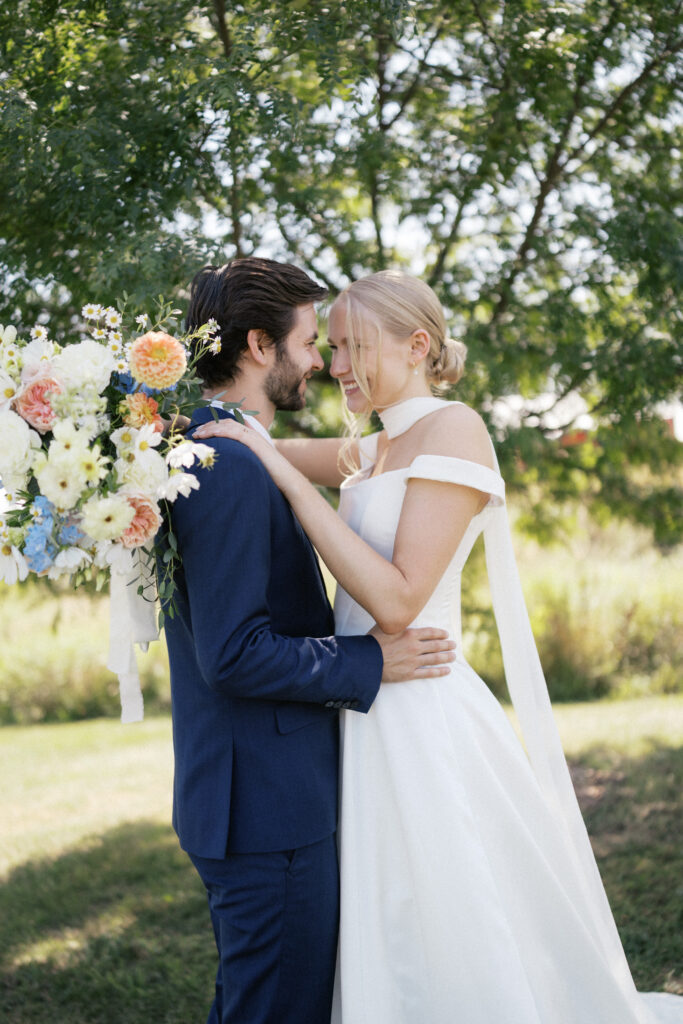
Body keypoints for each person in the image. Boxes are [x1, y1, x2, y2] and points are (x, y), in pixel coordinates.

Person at [195, 269, 683, 1024]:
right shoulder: (373, 447)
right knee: (375, 916)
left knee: (447, 909)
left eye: (355, 346)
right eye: (328, 346)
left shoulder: (454, 428)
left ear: (417, 343)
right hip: (356, 709)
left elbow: (396, 600)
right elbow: (261, 443)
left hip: (419, 701)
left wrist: (294, 490)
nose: (338, 365)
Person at [161, 258, 456, 1024]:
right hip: (266, 803)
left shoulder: (220, 447)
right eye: (309, 342)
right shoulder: (224, 464)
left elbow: (344, 459)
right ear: (260, 346)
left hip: (260, 790)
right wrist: (371, 659)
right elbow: (231, 653)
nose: (324, 363)